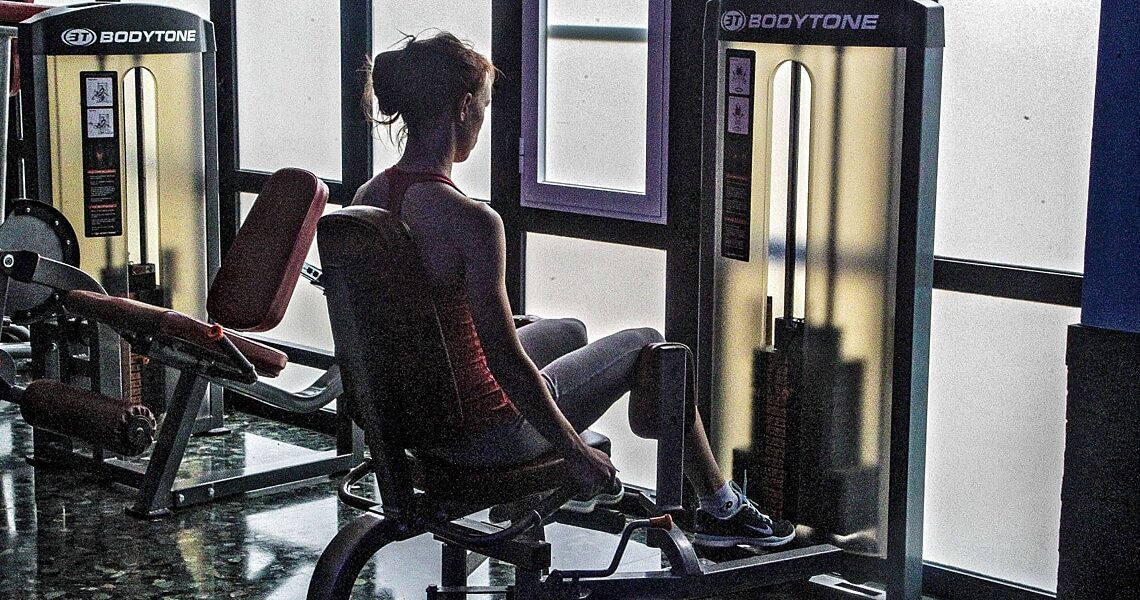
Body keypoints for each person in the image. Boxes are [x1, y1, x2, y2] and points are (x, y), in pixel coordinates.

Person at [354, 31, 793, 548]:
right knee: (650, 344)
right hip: (485, 436)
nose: (483, 122)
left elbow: (408, 325)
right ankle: (720, 507)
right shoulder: (471, 222)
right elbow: (506, 363)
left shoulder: (368, 199)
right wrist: (575, 453)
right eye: (485, 108)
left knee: (568, 331)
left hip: (417, 422)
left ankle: (568, 486)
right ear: (464, 106)